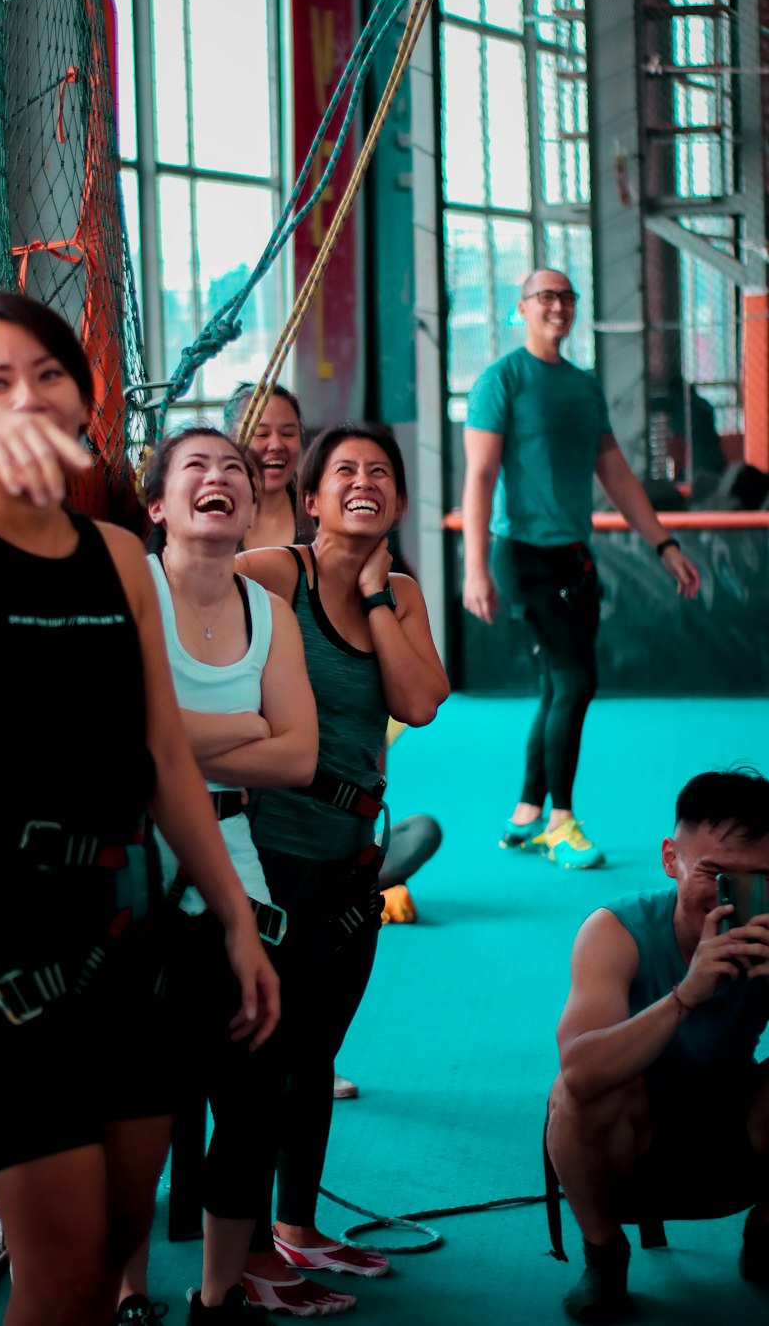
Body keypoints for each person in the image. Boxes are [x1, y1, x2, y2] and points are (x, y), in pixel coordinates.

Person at [0, 295, 278, 1326]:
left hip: (128, 947)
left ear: (83, 401)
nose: (26, 396)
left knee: (110, 1247)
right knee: (52, 1279)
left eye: (47, 374)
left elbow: (164, 756)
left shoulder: (116, 558)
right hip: (6, 964)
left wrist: (231, 913)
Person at [236, 423, 450, 1314]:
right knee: (263, 1059)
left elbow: (420, 700)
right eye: (345, 472)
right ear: (313, 497)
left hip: (352, 862)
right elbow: (187, 603)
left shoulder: (395, 589)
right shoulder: (271, 575)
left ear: (397, 500)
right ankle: (243, 1249)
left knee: (317, 1048)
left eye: (381, 473)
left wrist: (369, 597)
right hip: (267, 858)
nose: (365, 481)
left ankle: (296, 1225)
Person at [117, 426, 317, 1326]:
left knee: (249, 1091)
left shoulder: (267, 612)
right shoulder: (132, 591)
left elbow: (303, 756)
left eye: (235, 468)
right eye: (195, 466)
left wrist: (170, 739)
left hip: (239, 873)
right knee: (136, 1098)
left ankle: (218, 1292)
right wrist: (245, 734)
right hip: (130, 869)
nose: (221, 477)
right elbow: (116, 739)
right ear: (158, 504)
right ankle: (126, 1296)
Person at [463, 269, 701, 868]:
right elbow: (481, 477)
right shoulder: (501, 381)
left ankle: (525, 813)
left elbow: (615, 474)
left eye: (567, 297)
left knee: (556, 685)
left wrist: (664, 546)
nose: (558, 306)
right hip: (520, 557)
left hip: (575, 559)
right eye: (546, 296)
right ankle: (561, 822)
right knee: (575, 681)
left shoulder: (583, 385)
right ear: (523, 309)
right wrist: (474, 569)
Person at [547, 768, 769, 1321]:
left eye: (760, 879)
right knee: (575, 1097)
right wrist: (685, 995)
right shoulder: (614, 931)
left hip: (733, 1121)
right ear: (671, 859)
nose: (734, 898)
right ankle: (604, 1255)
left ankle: (767, 1232)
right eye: (716, 874)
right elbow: (578, 1073)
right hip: (634, 1131)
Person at [223, 382, 314, 549]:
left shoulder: (318, 515)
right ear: (232, 440)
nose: (276, 445)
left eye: (288, 434)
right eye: (262, 434)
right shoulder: (210, 514)